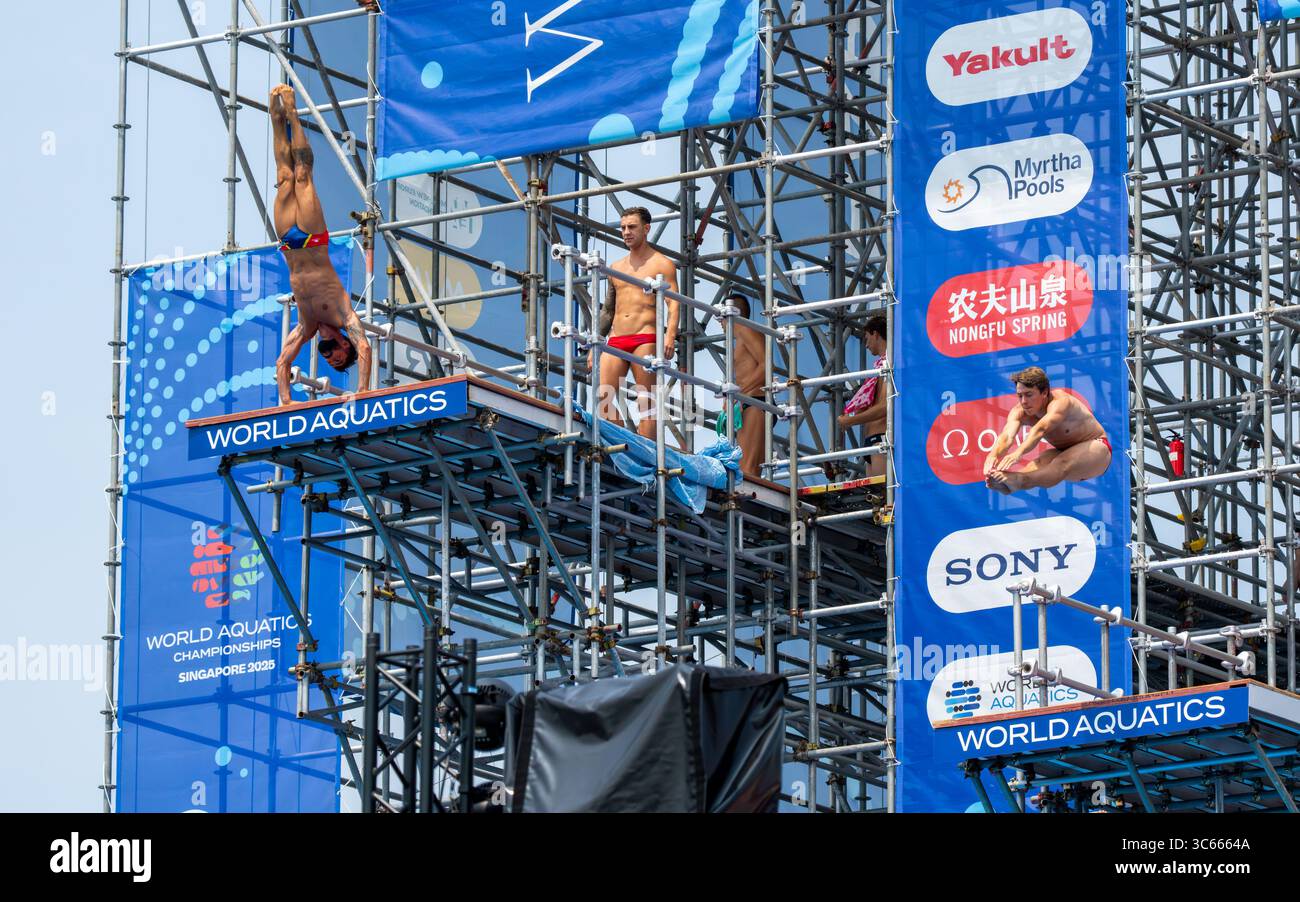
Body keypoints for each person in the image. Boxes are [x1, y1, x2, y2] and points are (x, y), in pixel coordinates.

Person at [270, 84, 371, 406]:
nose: (327, 352)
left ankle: (275, 119)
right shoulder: (345, 315)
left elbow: (282, 362)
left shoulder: (307, 324)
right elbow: (366, 348)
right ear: (346, 343)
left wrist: (286, 402)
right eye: (335, 354)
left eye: (325, 355)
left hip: (289, 242)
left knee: (284, 176)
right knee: (302, 175)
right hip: (313, 239)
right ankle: (294, 116)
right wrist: (365, 391)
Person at [590, 207, 679, 438]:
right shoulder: (617, 267)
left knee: (646, 401)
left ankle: (647, 451)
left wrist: (670, 336)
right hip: (617, 338)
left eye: (632, 227)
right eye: (623, 228)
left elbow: (674, 303)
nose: (626, 232)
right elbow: (608, 310)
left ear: (646, 229)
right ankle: (627, 445)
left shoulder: (662, 264)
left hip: (645, 336)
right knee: (603, 395)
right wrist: (595, 344)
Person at [983, 366, 1111, 495]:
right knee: (1038, 463)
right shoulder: (1019, 412)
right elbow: (1006, 436)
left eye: (1028, 395)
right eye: (1019, 396)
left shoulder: (1060, 402)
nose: (1024, 402)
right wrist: (993, 455)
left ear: (1044, 392)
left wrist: (1018, 453)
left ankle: (1020, 481)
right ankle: (1009, 485)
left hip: (1097, 450)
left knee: (1061, 462)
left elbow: (1040, 430)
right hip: (1064, 452)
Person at [720, 293, 767, 478]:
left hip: (755, 402)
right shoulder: (739, 337)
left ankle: (750, 505)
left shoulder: (746, 330)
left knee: (748, 467)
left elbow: (766, 365)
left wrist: (738, 394)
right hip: (747, 403)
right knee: (744, 465)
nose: (719, 322)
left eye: (721, 316)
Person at [836, 314, 888, 478]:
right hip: (873, 439)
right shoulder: (879, 367)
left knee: (883, 495)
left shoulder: (889, 365)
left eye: (867, 338)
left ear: (876, 334)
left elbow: (886, 406)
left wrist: (850, 420)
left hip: (881, 437)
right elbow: (871, 404)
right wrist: (852, 416)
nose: (866, 345)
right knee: (874, 498)